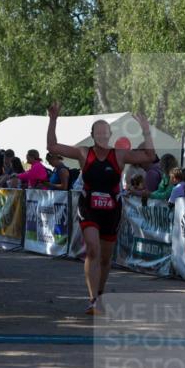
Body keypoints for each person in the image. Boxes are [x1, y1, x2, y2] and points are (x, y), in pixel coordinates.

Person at [46, 101, 157, 314]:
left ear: (110, 135)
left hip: (112, 210)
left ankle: (100, 293)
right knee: (93, 250)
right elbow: (52, 147)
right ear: (93, 135)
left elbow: (150, 157)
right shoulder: (83, 152)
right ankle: (92, 300)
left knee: (106, 258)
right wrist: (53, 120)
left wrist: (146, 131)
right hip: (89, 207)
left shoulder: (119, 155)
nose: (102, 136)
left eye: (105, 133)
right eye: (98, 133)